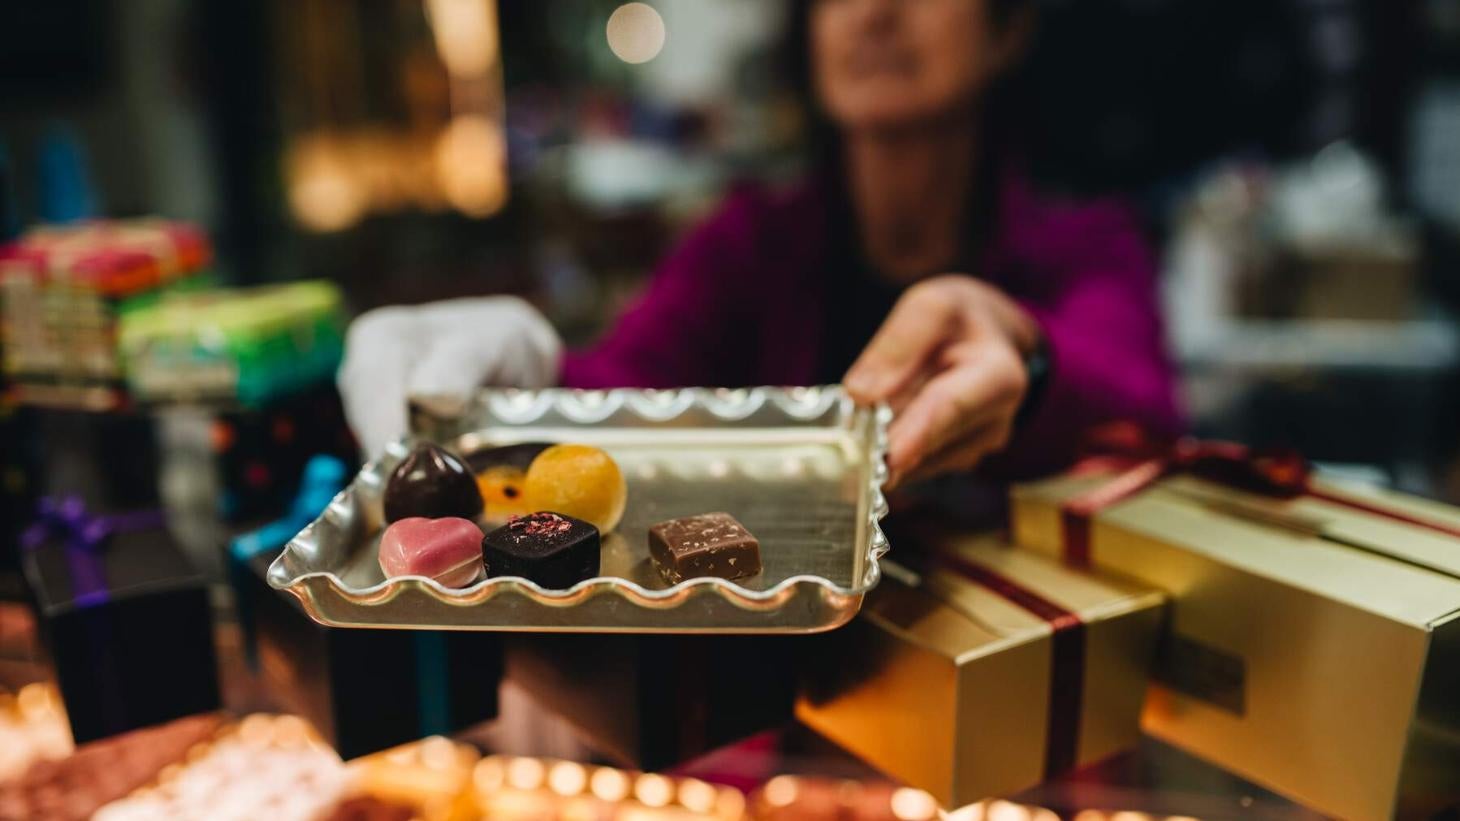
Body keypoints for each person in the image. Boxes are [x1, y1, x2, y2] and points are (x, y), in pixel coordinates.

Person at [339, 0, 1182, 486]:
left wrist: (1023, 352)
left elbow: (1143, 409)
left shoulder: (1084, 245)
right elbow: (630, 389)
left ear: (1009, 28)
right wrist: (533, 367)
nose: (877, 15)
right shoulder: (752, 248)